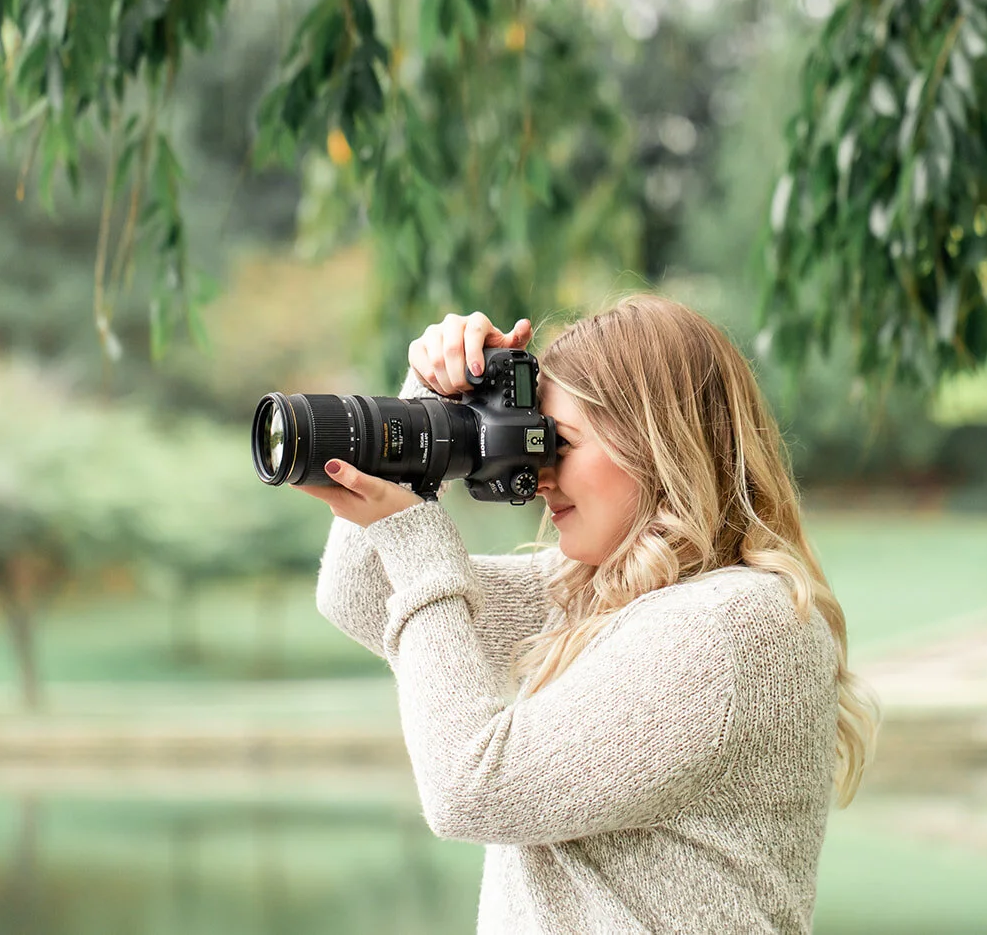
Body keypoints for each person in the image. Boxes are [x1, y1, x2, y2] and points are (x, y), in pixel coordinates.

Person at [296, 295, 879, 935]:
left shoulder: (735, 628)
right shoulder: (596, 595)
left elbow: (471, 790)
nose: (538, 473)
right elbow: (362, 592)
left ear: (657, 444)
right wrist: (426, 408)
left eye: (559, 443)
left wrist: (413, 533)